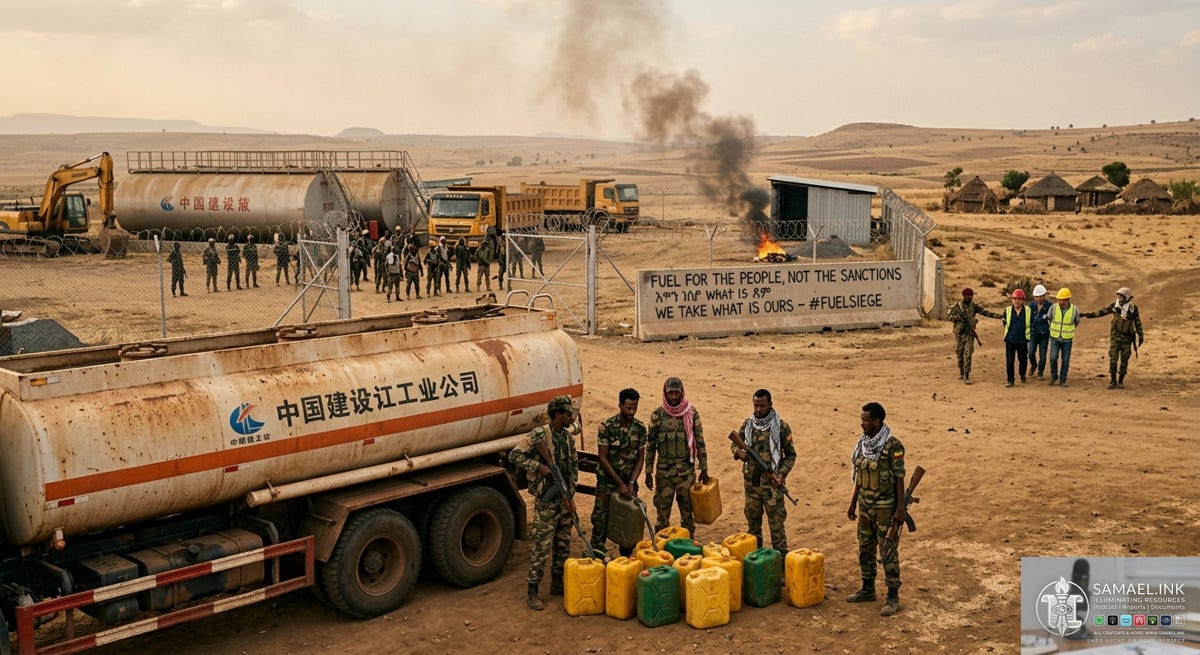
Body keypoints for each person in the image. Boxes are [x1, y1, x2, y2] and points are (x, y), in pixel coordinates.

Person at [507, 396, 580, 611]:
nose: (571, 417)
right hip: (547, 502)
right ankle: (533, 590)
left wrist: (570, 492)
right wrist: (538, 467)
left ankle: (558, 583)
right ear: (557, 415)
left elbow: (574, 465)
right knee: (542, 547)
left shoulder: (567, 438)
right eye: (567, 413)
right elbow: (515, 455)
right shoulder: (540, 435)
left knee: (563, 544)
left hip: (564, 499)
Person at [846, 402, 906, 617]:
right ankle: (868, 588)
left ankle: (892, 596)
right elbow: (860, 478)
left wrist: (900, 509)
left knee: (887, 551)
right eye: (862, 419)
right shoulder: (863, 444)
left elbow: (899, 479)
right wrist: (853, 503)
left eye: (865, 420)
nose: (862, 423)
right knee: (865, 549)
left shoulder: (893, 446)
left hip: (885, 508)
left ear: (877, 421)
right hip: (865, 506)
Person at [730, 389, 795, 553]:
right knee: (753, 528)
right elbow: (735, 443)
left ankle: (781, 563)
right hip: (751, 486)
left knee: (777, 528)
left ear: (770, 405)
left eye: (762, 406)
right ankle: (756, 560)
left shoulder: (781, 427)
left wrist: (781, 474)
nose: (758, 409)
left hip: (772, 487)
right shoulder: (748, 424)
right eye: (756, 405)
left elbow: (791, 455)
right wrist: (738, 453)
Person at [644, 377, 708, 537]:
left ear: (682, 393)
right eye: (670, 393)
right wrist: (648, 471)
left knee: (687, 515)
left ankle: (687, 548)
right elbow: (650, 445)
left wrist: (704, 468)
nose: (673, 397)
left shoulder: (691, 414)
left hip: (686, 474)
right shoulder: (657, 416)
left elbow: (700, 442)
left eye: (676, 393)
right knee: (662, 515)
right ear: (665, 393)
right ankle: (660, 550)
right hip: (664, 474)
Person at [589, 388, 647, 558]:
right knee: (600, 521)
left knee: (628, 522)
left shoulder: (640, 428)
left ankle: (625, 561)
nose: (631, 411)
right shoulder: (607, 427)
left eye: (634, 408)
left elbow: (640, 458)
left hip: (629, 484)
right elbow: (602, 457)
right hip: (607, 483)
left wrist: (630, 482)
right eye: (628, 408)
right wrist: (619, 484)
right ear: (620, 405)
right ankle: (597, 558)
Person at [1083, 287, 1144, 389]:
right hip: (1115, 337)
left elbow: (1137, 322)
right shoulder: (1114, 307)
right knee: (1113, 359)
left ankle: (1120, 381)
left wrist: (1141, 335)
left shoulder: (1133, 308)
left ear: (1127, 297)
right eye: (1118, 295)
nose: (1119, 297)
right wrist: (1087, 315)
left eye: (1121, 295)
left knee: (1124, 359)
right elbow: (1101, 312)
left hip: (1127, 338)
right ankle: (1113, 380)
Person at [946, 288, 1000, 384]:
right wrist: (955, 318)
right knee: (959, 354)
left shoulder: (973, 306)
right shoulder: (956, 306)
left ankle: (966, 375)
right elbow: (948, 316)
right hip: (959, 334)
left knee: (968, 354)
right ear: (963, 296)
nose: (969, 298)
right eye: (968, 296)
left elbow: (986, 312)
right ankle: (962, 371)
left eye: (971, 296)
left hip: (969, 334)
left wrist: (1000, 316)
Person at [1047, 287, 1082, 387]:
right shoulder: (1053, 308)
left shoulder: (1074, 310)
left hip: (1067, 339)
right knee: (1053, 358)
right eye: (1060, 300)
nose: (1061, 302)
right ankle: (1054, 376)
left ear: (1068, 300)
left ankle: (1063, 380)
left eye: (1064, 300)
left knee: (1065, 360)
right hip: (1054, 337)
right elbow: (1049, 319)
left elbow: (1076, 322)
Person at [996, 289, 1030, 387]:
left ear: (1023, 300)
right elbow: (1004, 322)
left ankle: (1022, 374)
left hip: (1023, 340)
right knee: (1010, 361)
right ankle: (1010, 380)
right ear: (1012, 300)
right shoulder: (1007, 311)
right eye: (1015, 299)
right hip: (1010, 340)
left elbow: (1031, 323)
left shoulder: (1028, 311)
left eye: (1019, 299)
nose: (1017, 301)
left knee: (1023, 359)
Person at [1027, 284, 1052, 379]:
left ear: (1044, 295)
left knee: (1043, 355)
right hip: (1033, 333)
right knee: (1031, 352)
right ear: (1034, 297)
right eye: (1037, 297)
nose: (1039, 298)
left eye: (1040, 296)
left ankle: (1040, 372)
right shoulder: (1031, 306)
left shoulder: (1050, 306)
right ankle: (1034, 365)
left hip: (1044, 334)